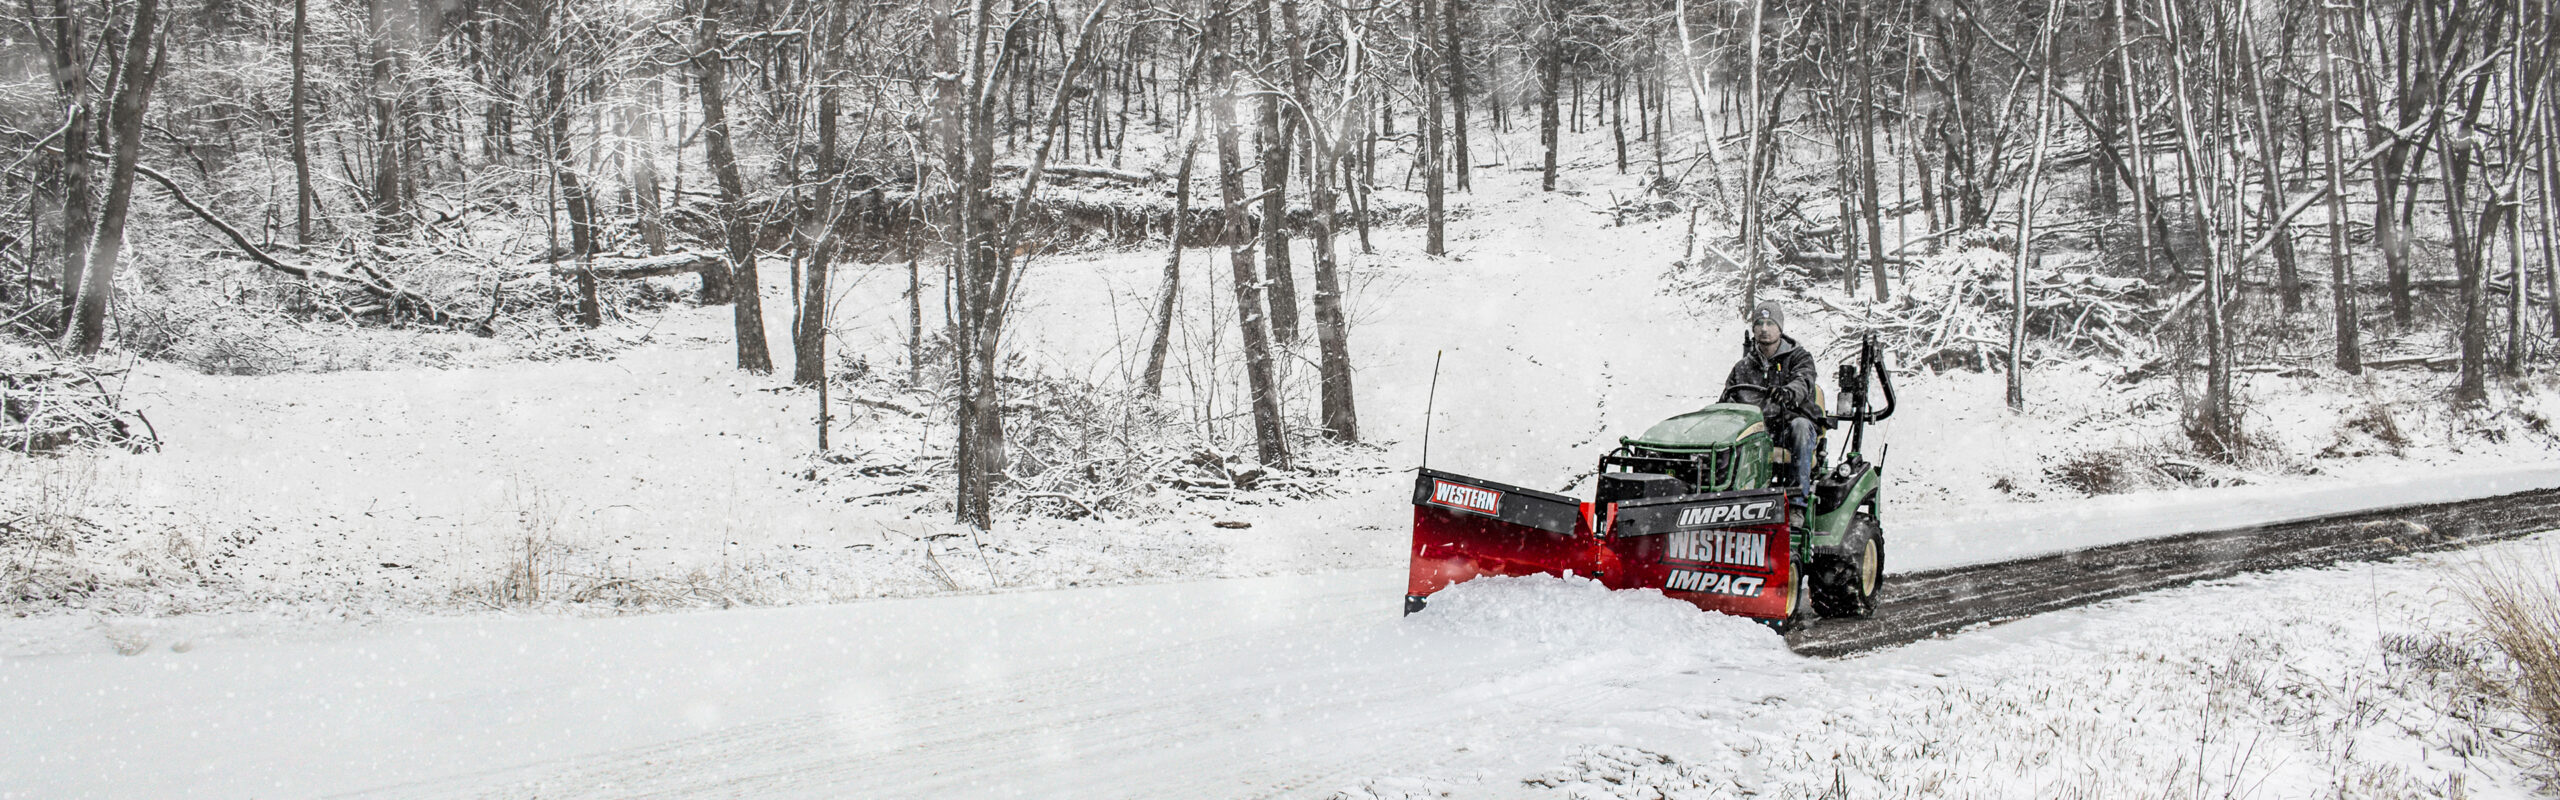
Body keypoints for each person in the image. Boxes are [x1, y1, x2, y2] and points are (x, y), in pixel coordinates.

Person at [1723, 301, 1823, 506]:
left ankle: (1797, 502)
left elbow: (1803, 381)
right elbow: (1727, 400)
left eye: (1770, 323)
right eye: (1759, 323)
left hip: (1788, 427)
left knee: (1801, 426)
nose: (1764, 329)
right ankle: (1728, 500)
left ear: (1780, 328)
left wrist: (1788, 393)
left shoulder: (1799, 358)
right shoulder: (1742, 367)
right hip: (1758, 430)